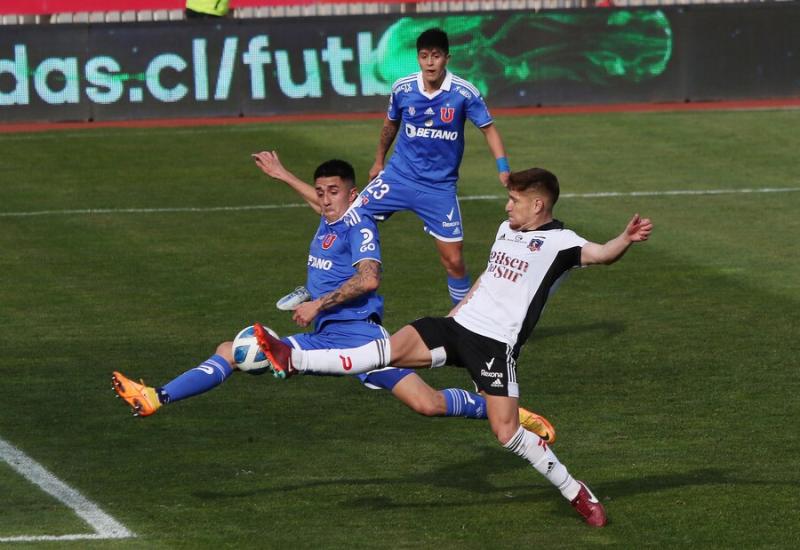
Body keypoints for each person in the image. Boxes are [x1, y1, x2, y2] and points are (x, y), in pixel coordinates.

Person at [254, 167, 654, 527]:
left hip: (495, 346)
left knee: (507, 434)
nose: (507, 205)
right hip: (459, 325)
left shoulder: (562, 244)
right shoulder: (506, 229)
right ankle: (294, 357)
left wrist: (626, 238)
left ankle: (574, 491)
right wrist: (457, 311)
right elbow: (489, 275)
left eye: (514, 200)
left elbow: (602, 254)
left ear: (537, 204)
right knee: (383, 352)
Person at [111, 156, 555, 444]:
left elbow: (369, 279)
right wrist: (285, 176)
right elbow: (319, 204)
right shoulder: (331, 215)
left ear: (352, 193)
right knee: (427, 404)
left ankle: (156, 396)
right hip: (336, 336)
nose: (323, 199)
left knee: (234, 349)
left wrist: (317, 304)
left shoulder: (359, 226)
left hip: (357, 339)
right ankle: (508, 413)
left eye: (333, 192)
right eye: (320, 192)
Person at [363, 28, 509, 306]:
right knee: (349, 219)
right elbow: (390, 125)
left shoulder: (463, 93)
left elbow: (489, 130)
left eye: (436, 56)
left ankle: (464, 322)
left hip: (439, 189)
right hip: (398, 177)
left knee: (454, 261)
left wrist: (503, 167)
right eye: (424, 56)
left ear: (447, 58)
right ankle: (321, 285)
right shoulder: (403, 88)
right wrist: (379, 160)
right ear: (418, 58)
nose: (430, 62)